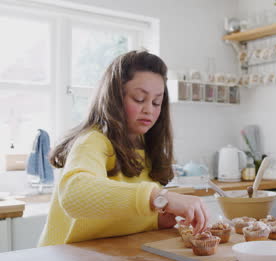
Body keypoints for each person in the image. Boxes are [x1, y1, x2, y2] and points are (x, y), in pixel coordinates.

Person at [38, 50, 209, 246]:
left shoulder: (146, 147)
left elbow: (118, 212)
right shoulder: (92, 141)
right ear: (115, 98)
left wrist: (158, 219)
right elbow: (74, 195)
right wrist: (159, 197)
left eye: (156, 102)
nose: (149, 110)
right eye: (138, 99)